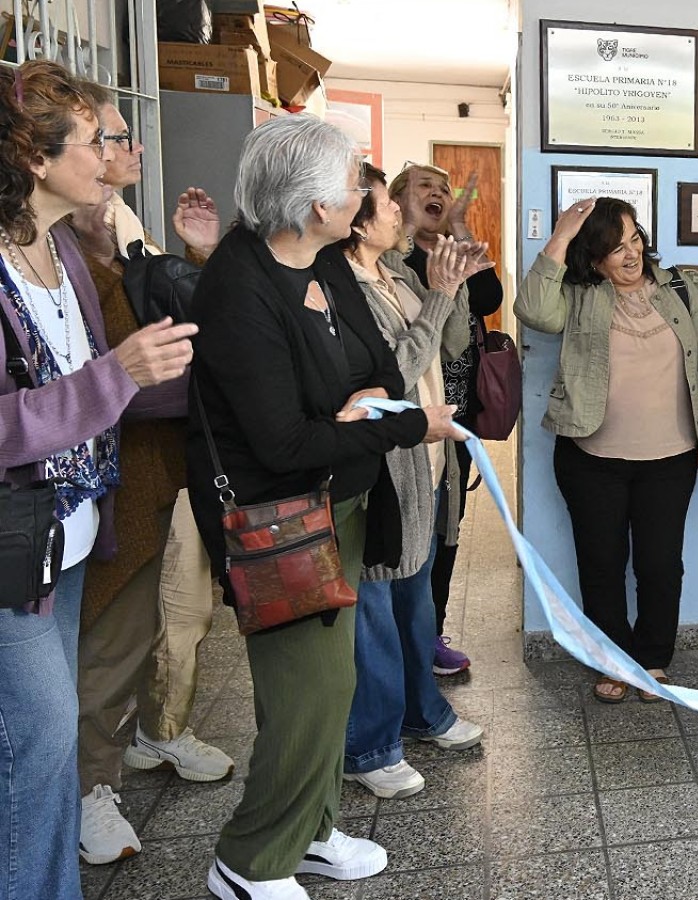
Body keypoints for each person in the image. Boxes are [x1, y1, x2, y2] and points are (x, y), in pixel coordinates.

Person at [187, 115, 458, 900]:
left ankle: (308, 830)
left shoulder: (323, 262)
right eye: (353, 185)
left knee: (328, 689)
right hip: (278, 523)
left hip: (338, 502)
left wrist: (369, 400)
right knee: (304, 696)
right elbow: (280, 444)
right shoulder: (239, 287)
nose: (366, 194)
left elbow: (375, 362)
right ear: (314, 207)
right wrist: (410, 423)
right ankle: (249, 859)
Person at [0, 60, 196, 899]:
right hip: (14, 551)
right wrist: (120, 373)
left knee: (41, 752)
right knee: (38, 749)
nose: (111, 153)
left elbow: (105, 384)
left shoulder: (60, 250)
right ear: (36, 159)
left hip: (70, 534)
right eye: (93, 139)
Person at [68, 81, 235, 867]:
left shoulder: (120, 222)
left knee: (163, 621)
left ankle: (148, 739)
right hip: (107, 471)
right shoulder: (53, 243)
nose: (129, 149)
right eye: (110, 136)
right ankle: (87, 789)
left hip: (162, 463)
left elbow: (179, 315)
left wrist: (198, 253)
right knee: (106, 637)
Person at [516, 196, 698, 704]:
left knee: (660, 563)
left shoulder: (678, 288)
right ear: (594, 259)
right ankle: (613, 661)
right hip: (591, 457)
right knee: (601, 562)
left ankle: (653, 660)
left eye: (635, 239)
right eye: (615, 248)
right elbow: (532, 311)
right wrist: (561, 234)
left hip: (671, 456)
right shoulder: (579, 293)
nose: (631, 254)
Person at [341, 163, 485, 799]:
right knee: (374, 605)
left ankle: (423, 713)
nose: (400, 214)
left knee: (415, 597)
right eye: (385, 204)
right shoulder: (339, 286)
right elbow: (389, 377)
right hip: (382, 467)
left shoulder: (395, 272)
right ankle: (370, 746)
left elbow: (444, 348)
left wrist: (445, 289)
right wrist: (437, 300)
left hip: (424, 460)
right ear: (355, 217)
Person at [387, 162, 502, 676]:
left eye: (443, 189)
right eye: (424, 187)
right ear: (395, 202)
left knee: (446, 523)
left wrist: (459, 229)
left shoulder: (450, 248)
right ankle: (400, 636)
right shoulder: (389, 259)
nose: (437, 194)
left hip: (455, 414)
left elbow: (491, 299)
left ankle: (429, 631)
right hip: (408, 416)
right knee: (406, 526)